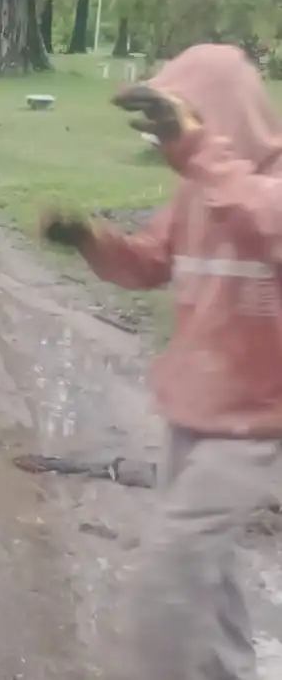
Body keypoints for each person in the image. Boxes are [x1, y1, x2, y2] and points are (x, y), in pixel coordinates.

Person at [39, 43, 282, 680]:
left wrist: (200, 151)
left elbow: (266, 223)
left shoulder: (265, 185)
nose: (171, 139)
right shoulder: (200, 193)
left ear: (227, 115)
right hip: (191, 414)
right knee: (211, 570)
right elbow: (150, 262)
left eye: (184, 118)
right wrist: (91, 241)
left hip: (256, 424)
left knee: (172, 566)